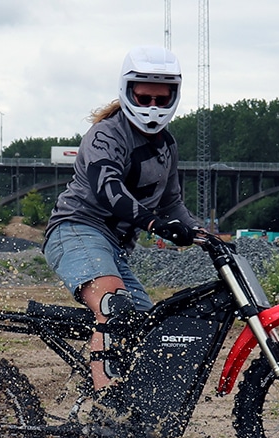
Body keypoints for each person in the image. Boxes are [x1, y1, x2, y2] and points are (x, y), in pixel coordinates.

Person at [43, 46, 202, 399]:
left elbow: (173, 203)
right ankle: (107, 409)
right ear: (127, 91)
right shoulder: (106, 135)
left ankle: (139, 420)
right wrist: (153, 224)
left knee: (151, 330)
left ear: (174, 96)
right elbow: (108, 189)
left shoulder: (167, 146)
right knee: (114, 307)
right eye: (143, 98)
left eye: (161, 100)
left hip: (114, 250)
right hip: (76, 230)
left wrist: (206, 235)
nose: (152, 108)